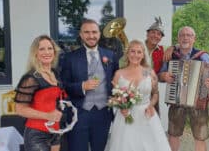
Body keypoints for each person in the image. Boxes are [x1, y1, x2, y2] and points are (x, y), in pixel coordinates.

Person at [60, 19, 119, 151]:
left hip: (103, 113)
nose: (91, 36)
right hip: (78, 114)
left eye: (94, 32)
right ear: (81, 35)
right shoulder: (70, 58)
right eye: (86, 32)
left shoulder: (110, 56)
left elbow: (116, 81)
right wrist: (82, 86)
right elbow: (63, 85)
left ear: (99, 34)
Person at [159, 26, 209, 151]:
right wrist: (164, 76)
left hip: (198, 103)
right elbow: (161, 74)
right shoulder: (171, 55)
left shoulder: (203, 56)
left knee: (200, 137)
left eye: (189, 35)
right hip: (176, 101)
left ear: (194, 39)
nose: (185, 37)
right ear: (178, 38)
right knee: (173, 135)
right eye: (182, 35)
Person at [108, 40, 171, 151]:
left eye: (139, 52)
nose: (135, 55)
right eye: (132, 51)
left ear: (143, 55)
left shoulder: (148, 72)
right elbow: (113, 96)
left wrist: (151, 105)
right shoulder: (119, 73)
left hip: (146, 115)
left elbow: (155, 93)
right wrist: (121, 107)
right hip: (125, 117)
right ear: (127, 54)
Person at [14, 35, 65, 151]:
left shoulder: (55, 74)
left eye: (49, 48)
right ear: (35, 53)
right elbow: (20, 109)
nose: (47, 52)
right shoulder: (30, 78)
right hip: (37, 134)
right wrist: (47, 115)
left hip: (55, 132)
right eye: (41, 49)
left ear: (54, 51)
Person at [144, 16, 165, 115]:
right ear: (147, 33)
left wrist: (174, 46)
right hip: (136, 89)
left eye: (159, 34)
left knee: (153, 118)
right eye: (153, 32)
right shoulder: (138, 47)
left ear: (161, 38)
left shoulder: (162, 50)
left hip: (153, 91)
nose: (155, 36)